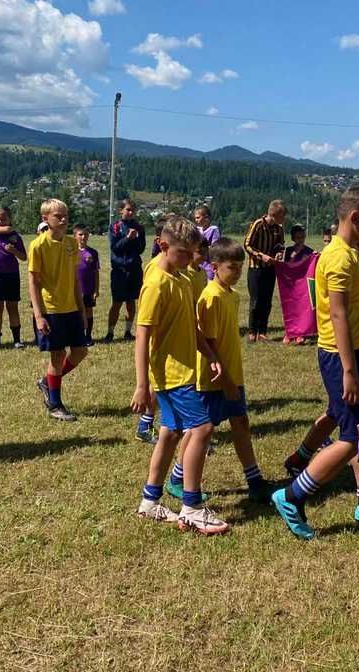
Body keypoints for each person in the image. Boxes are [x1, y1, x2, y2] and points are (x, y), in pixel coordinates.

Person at [271, 186, 359, 540]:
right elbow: (338, 316)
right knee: (350, 439)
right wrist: (350, 370)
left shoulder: (350, 254)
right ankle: (292, 496)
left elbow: (357, 311)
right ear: (355, 218)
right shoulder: (337, 258)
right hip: (340, 356)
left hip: (358, 353)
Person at [131, 215, 229, 535]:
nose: (192, 260)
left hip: (182, 369)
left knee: (170, 432)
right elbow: (142, 334)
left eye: (194, 253)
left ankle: (150, 501)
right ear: (163, 245)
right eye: (185, 253)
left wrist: (210, 353)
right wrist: (142, 385)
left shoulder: (183, 278)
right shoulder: (157, 283)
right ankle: (192, 507)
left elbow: (190, 324)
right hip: (171, 374)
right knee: (202, 428)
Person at [168, 238, 274, 503]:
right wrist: (225, 379)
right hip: (214, 378)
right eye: (232, 267)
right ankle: (177, 478)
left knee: (241, 423)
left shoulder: (232, 295)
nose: (237, 273)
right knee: (199, 431)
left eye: (241, 267)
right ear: (214, 266)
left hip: (232, 374)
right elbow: (210, 343)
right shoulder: (211, 297)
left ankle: (254, 479)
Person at [28, 198, 87, 422]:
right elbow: (33, 281)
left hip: (70, 307)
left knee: (81, 351)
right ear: (45, 219)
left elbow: (74, 278)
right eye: (58, 216)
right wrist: (39, 315)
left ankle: (47, 381)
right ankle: (55, 404)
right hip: (51, 309)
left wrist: (81, 307)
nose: (63, 219)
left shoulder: (72, 243)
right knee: (57, 355)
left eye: (65, 215)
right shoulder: (38, 245)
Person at [243, 200, 287, 342]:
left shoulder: (278, 229)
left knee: (267, 301)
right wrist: (261, 256)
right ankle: (252, 331)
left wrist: (279, 253)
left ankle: (262, 331)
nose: (284, 219)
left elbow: (281, 244)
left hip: (270, 269)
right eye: (283, 215)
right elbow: (247, 244)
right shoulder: (258, 224)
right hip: (256, 268)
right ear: (275, 214)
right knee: (255, 301)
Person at [0, 206, 27, 350]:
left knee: (12, 306)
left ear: (9, 218)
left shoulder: (16, 237)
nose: (0, 221)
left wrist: (14, 250)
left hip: (11, 274)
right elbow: (6, 229)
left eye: (3, 218)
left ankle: (17, 339)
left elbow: (24, 257)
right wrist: (10, 228)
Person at [105, 199, 146, 342]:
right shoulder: (114, 227)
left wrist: (135, 239)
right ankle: (110, 333)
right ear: (121, 210)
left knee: (131, 302)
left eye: (133, 210)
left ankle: (128, 331)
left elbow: (141, 249)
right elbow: (115, 248)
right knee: (116, 302)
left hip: (134, 269)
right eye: (128, 209)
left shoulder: (139, 228)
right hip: (119, 270)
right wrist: (128, 238)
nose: (130, 212)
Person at [74, 224, 99, 346]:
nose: (83, 237)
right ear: (75, 236)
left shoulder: (93, 253)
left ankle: (88, 336)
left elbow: (95, 272)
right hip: (74, 289)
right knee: (75, 313)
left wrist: (96, 289)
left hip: (88, 288)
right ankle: (76, 336)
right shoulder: (71, 252)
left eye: (86, 234)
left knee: (88, 311)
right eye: (80, 234)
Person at [193, 205, 220, 278]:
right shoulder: (197, 230)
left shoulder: (213, 230)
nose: (196, 220)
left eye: (198, 217)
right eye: (195, 218)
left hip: (208, 264)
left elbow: (215, 247)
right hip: (197, 264)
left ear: (206, 217)